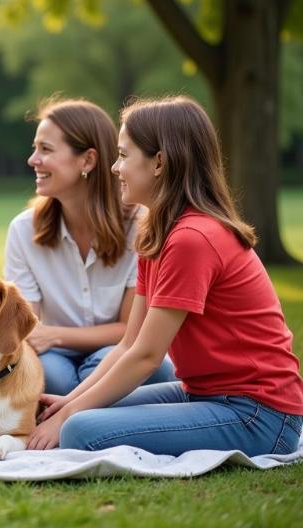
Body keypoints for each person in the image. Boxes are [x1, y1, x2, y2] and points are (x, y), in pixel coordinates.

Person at [29, 96, 303, 455]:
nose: (114, 168)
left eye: (124, 156)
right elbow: (128, 344)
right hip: (202, 393)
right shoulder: (157, 233)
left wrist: (70, 417)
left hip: (258, 413)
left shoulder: (194, 239)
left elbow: (147, 356)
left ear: (159, 163)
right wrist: (67, 403)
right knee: (74, 414)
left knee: (81, 429)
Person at [4, 97, 174, 396]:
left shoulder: (142, 225)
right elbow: (28, 330)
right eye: (35, 148)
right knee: (50, 377)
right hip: (53, 356)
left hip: (118, 348)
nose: (33, 159)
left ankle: (75, 411)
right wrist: (47, 340)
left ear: (88, 160)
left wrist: (55, 335)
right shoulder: (23, 230)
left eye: (45, 149)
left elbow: (130, 330)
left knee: (150, 369)